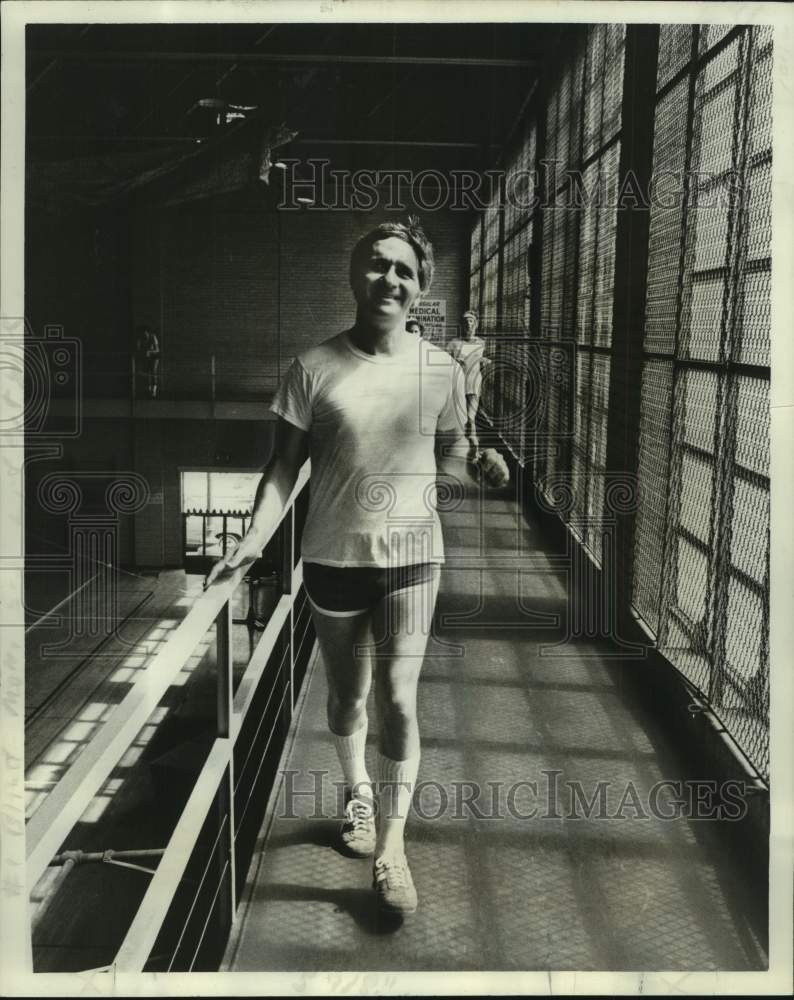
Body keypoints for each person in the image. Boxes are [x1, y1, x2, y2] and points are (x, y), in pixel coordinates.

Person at [206, 219, 504, 916]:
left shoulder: (439, 370)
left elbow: (452, 456)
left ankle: (393, 850)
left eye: (403, 269)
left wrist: (483, 468)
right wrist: (254, 539)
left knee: (398, 697)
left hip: (411, 559)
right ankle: (358, 795)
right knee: (348, 698)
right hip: (333, 559)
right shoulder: (312, 368)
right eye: (377, 266)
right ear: (354, 275)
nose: (389, 280)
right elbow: (283, 467)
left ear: (421, 286)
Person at [444, 309, 489, 449]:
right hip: (458, 385)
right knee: (460, 418)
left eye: (471, 322)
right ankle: (462, 447)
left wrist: (484, 361)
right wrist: (455, 361)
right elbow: (445, 362)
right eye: (466, 323)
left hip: (474, 384)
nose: (468, 325)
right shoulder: (454, 343)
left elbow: (478, 359)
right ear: (462, 326)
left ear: (475, 325)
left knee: (470, 417)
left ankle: (473, 447)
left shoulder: (481, 343)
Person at [136, 324, 161, 399]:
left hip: (154, 356)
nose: (144, 335)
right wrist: (140, 349)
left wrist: (150, 351)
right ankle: (149, 389)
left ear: (147, 332)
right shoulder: (140, 338)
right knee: (147, 373)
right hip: (146, 357)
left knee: (153, 371)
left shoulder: (153, 337)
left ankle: (154, 391)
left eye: (144, 333)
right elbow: (138, 349)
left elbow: (157, 350)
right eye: (142, 334)